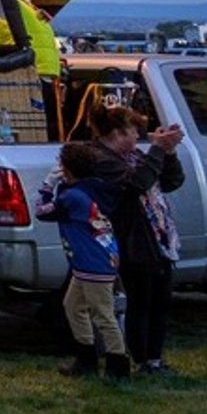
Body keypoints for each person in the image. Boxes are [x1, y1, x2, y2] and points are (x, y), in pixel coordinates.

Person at [48, 144, 129, 378]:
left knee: (103, 314)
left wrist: (48, 185)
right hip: (94, 262)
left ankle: (117, 363)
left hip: (93, 264)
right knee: (73, 306)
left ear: (67, 169)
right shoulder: (95, 190)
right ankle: (86, 357)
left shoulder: (73, 197)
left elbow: (43, 211)